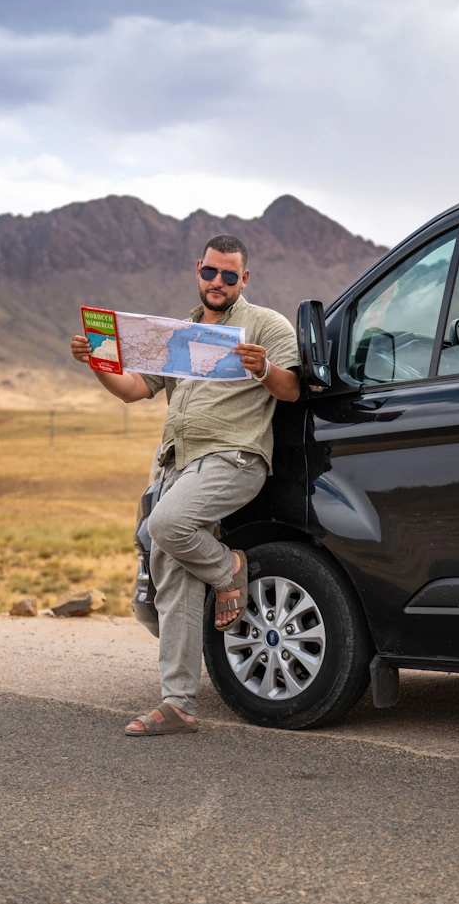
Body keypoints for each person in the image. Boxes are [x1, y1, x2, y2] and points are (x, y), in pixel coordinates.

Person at [70, 234, 300, 736]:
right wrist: (99, 364)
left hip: (234, 458)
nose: (218, 282)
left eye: (229, 275)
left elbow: (293, 388)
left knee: (168, 524)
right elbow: (134, 390)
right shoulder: (176, 332)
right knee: (170, 570)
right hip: (179, 465)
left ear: (245, 278)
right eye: (210, 273)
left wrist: (264, 370)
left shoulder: (265, 325)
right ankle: (177, 704)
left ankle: (227, 568)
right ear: (198, 270)